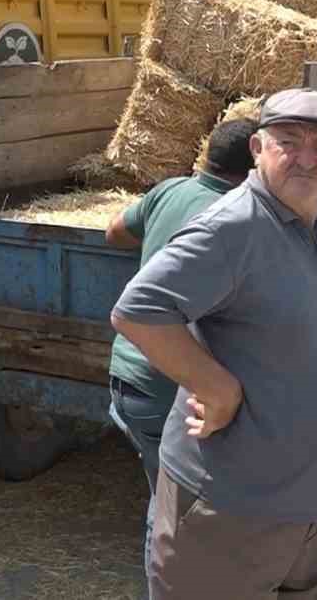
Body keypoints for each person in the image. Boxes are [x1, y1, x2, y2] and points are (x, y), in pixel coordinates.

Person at [111, 89, 317, 600]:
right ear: (257, 149)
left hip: (309, 514)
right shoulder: (234, 226)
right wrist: (217, 387)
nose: (305, 157)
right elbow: (138, 311)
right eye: (288, 141)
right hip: (230, 516)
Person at [103, 119, 259, 563]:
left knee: (170, 493)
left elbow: (114, 232)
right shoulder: (236, 216)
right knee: (174, 508)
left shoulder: (169, 190)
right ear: (250, 170)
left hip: (127, 376)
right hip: (165, 386)